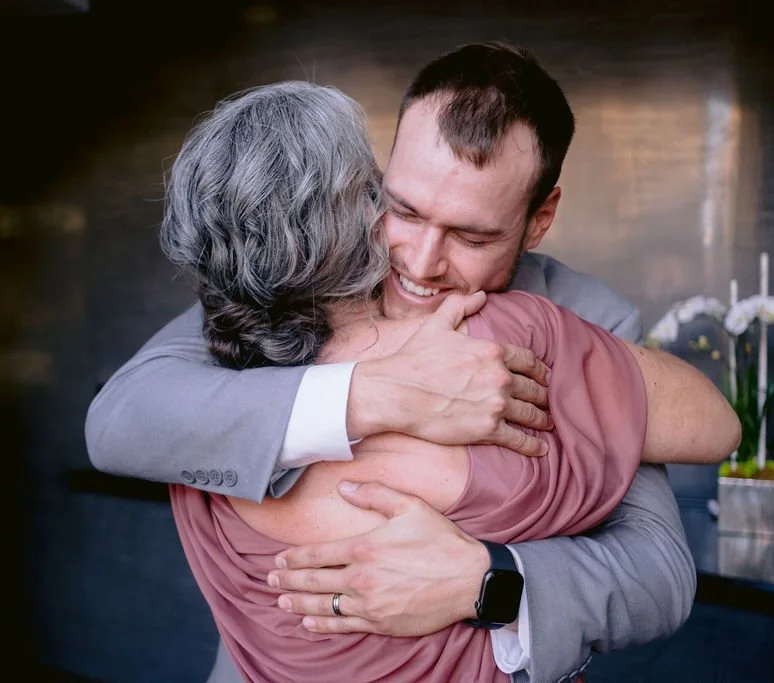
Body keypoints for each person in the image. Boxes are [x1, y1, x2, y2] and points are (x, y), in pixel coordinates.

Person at [86, 43, 740, 682]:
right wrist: (369, 394)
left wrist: (487, 581)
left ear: (539, 219)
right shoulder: (300, 277)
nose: (421, 262)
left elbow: (658, 573)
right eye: (403, 209)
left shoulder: (590, 317)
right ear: (377, 178)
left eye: (471, 234)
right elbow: (122, 419)